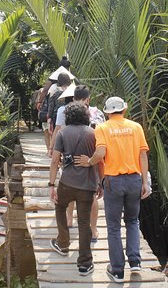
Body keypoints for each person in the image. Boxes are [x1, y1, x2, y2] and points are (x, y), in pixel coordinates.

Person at [75, 96, 150, 284]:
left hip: (114, 182)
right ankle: (135, 262)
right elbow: (142, 155)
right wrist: (145, 183)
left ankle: (117, 270)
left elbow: (100, 153)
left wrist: (88, 162)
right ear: (124, 110)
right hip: (134, 179)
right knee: (133, 221)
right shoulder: (136, 127)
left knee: (114, 226)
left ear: (107, 112)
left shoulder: (102, 128)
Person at [48, 102, 104, 277]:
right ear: (86, 116)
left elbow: (55, 161)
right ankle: (85, 263)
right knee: (84, 223)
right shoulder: (94, 133)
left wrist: (51, 185)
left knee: (59, 207)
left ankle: (63, 242)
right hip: (87, 186)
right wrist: (100, 183)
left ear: (68, 116)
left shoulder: (63, 133)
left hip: (67, 183)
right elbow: (100, 159)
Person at [51, 85, 103, 239]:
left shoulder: (66, 110)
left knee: (69, 190)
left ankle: (68, 220)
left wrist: (52, 148)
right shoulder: (97, 113)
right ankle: (93, 230)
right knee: (92, 196)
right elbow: (102, 142)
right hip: (90, 159)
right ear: (88, 98)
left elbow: (59, 129)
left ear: (73, 97)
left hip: (70, 158)